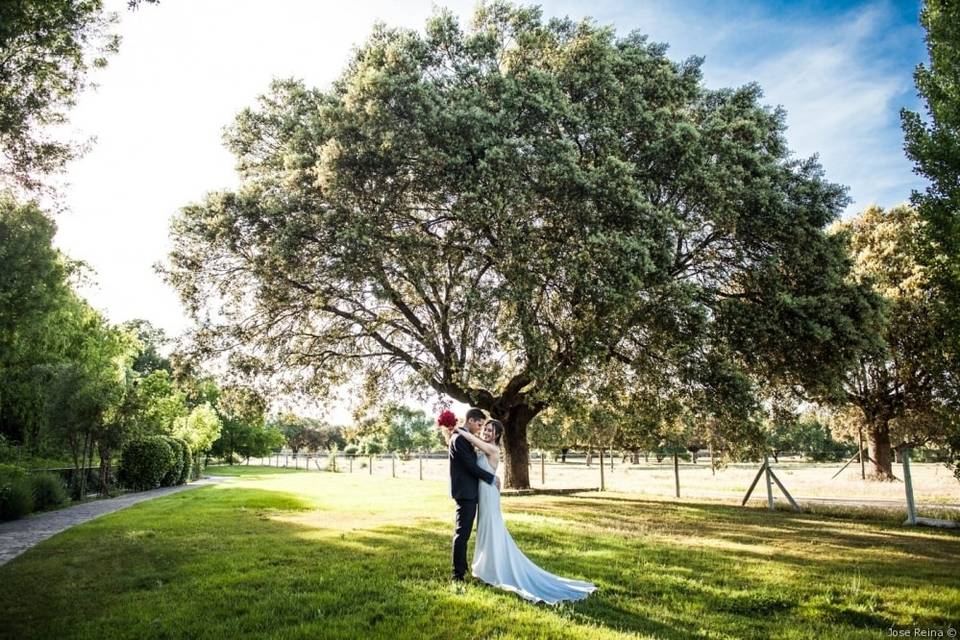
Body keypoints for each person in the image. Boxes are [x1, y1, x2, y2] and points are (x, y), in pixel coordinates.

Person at [453, 418, 597, 605]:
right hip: (483, 494)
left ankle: (493, 570)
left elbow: (473, 441)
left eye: (490, 431)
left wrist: (459, 429)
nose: (486, 433)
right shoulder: (483, 447)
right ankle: (486, 568)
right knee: (485, 530)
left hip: (489, 496)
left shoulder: (493, 449)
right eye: (485, 429)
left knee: (491, 529)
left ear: (497, 435)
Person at [448, 407, 500, 582]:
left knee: (471, 532)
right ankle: (458, 574)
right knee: (462, 533)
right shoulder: (460, 439)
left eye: (486, 428)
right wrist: (491, 478)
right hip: (466, 493)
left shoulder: (465, 438)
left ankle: (483, 567)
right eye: (480, 424)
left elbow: (475, 448)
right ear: (470, 421)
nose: (481, 428)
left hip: (474, 492)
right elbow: (471, 466)